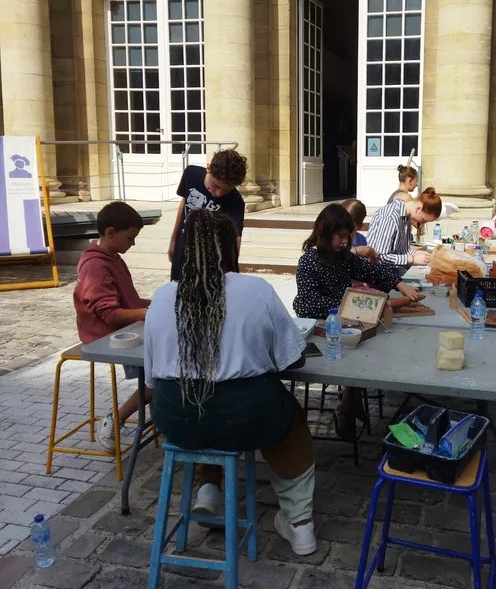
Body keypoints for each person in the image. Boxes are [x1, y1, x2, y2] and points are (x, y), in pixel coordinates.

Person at [146, 209, 318, 556]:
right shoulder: (256, 290)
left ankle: (208, 490)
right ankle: (300, 525)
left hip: (174, 416)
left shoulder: (162, 297)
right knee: (289, 421)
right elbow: (293, 358)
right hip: (246, 416)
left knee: (203, 404)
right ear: (232, 248)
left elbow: (152, 376)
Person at [294, 203, 420, 438]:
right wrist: (346, 306)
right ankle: (348, 409)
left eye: (347, 237)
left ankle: (350, 404)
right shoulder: (309, 261)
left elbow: (373, 272)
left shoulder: (344, 258)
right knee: (351, 358)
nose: (344, 242)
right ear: (325, 233)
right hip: (318, 327)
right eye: (340, 237)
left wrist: (401, 285)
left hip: (344, 324)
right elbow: (305, 303)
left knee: (363, 354)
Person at [73, 202, 151, 452]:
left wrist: (164, 300)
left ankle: (161, 417)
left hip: (124, 329)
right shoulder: (95, 265)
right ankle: (115, 420)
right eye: (130, 238)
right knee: (164, 373)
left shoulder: (113, 258)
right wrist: (152, 312)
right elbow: (110, 314)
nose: (133, 244)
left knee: (172, 365)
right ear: (110, 232)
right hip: (106, 336)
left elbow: (130, 302)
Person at [168, 148, 247, 281]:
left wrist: (230, 268)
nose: (218, 193)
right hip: (183, 248)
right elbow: (184, 204)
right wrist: (174, 239)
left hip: (211, 260)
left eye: (227, 190)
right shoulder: (190, 174)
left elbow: (235, 237)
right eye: (216, 186)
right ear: (208, 168)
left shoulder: (235, 202)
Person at [367, 187, 442, 270]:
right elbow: (379, 257)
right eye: (424, 220)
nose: (423, 223)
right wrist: (412, 259)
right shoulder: (390, 217)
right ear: (418, 208)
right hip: (378, 274)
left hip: (392, 273)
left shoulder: (406, 216)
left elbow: (401, 251)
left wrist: (416, 253)